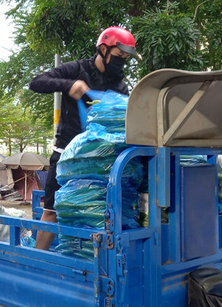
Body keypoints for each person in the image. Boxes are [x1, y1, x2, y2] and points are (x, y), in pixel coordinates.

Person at [29, 26, 140, 250]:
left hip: (101, 161)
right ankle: (38, 260)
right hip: (67, 157)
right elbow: (37, 82)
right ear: (103, 49)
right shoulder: (77, 69)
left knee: (98, 212)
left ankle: (91, 261)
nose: (121, 62)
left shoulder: (120, 85)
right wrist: (68, 85)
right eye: (119, 56)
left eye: (126, 59)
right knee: (52, 211)